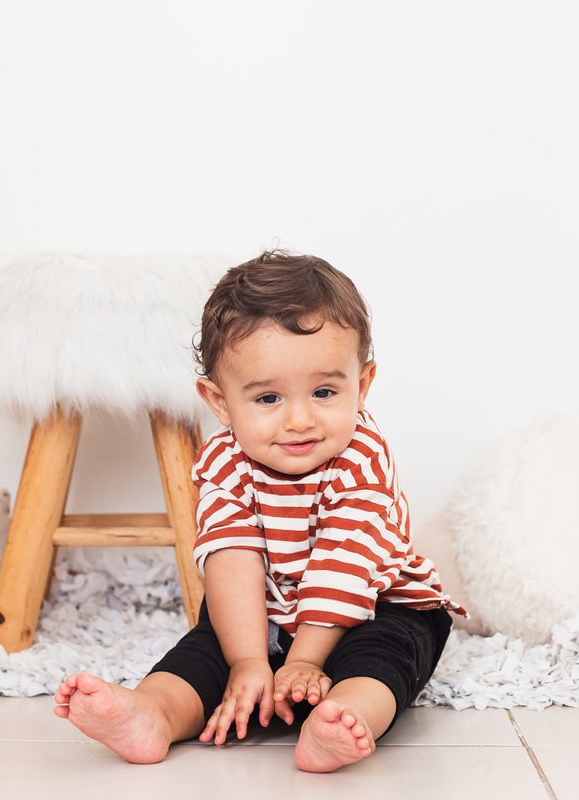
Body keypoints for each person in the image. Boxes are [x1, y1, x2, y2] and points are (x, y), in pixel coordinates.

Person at [54, 250, 464, 772]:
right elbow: (230, 555)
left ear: (361, 385)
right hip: (266, 611)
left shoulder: (362, 455)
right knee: (204, 651)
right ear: (219, 402)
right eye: (268, 399)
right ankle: (152, 713)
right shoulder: (224, 457)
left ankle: (337, 720)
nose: (299, 419)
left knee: (383, 656)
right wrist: (247, 660)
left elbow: (345, 564)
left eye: (323, 391)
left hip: (371, 601)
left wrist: (306, 662)